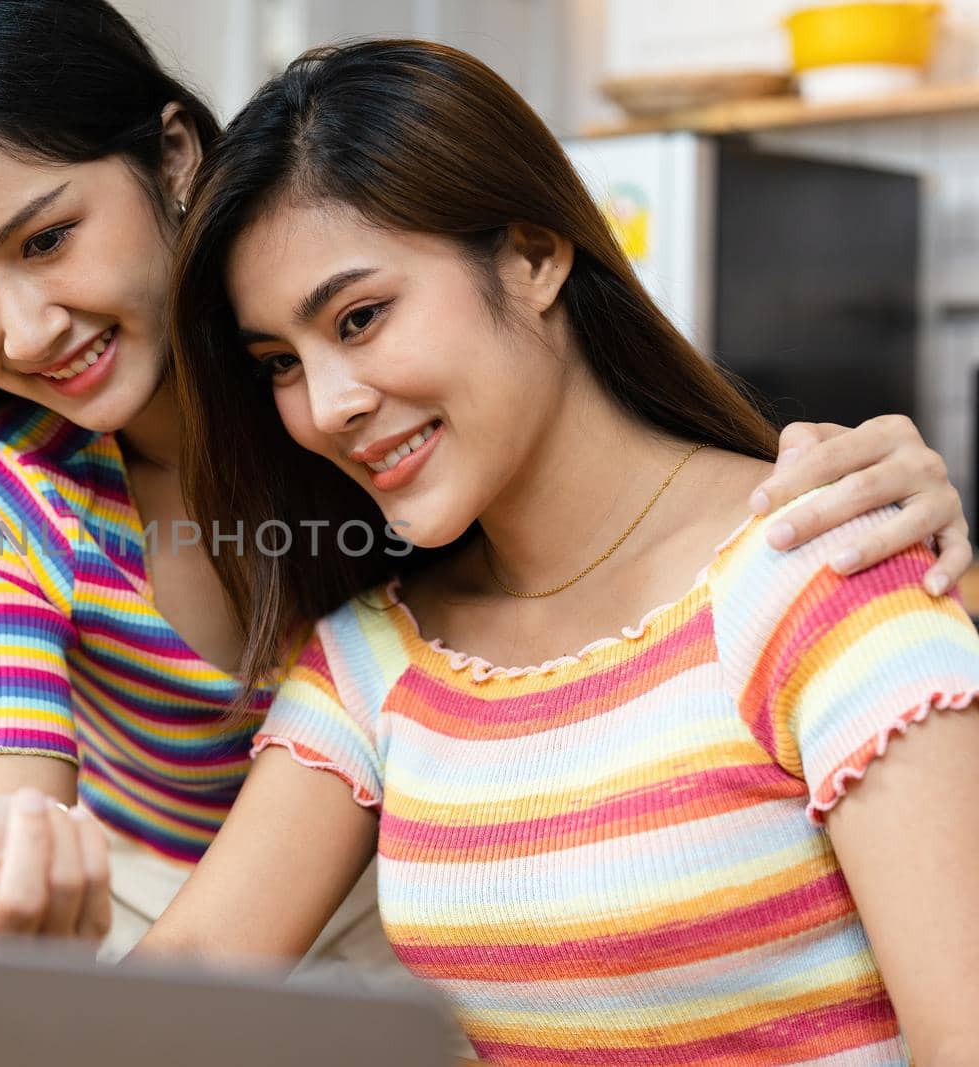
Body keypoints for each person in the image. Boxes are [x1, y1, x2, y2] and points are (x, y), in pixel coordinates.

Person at [0, 0, 972, 970]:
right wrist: (13, 910)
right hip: (178, 912)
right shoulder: (20, 508)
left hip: (413, 892)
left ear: (170, 157)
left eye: (45, 237)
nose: (24, 326)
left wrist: (902, 520)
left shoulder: (395, 438)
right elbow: (23, 839)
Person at [115, 39, 979, 1064]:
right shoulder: (374, 660)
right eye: (278, 363)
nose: (326, 405)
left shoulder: (821, 566)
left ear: (532, 256)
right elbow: (178, 994)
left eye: (360, 316)